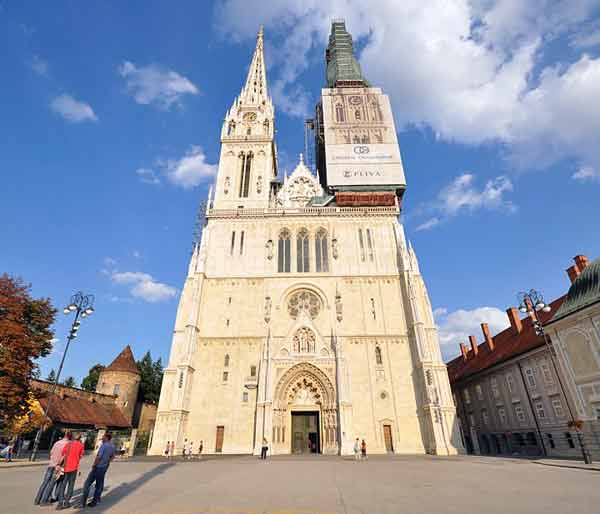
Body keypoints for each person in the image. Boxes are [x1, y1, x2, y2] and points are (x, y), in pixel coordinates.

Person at [80, 432, 116, 508]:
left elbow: (98, 457)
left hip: (98, 467)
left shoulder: (104, 446)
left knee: (87, 483)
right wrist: (106, 462)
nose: (102, 438)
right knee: (99, 484)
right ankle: (96, 500)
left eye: (103, 437)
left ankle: (83, 502)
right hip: (104, 467)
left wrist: (94, 465)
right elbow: (112, 457)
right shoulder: (112, 446)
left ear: (106, 438)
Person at [34, 431, 70, 505]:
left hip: (51, 464)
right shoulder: (68, 444)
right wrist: (59, 464)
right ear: (70, 437)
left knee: (45, 482)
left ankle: (37, 500)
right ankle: (44, 501)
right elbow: (64, 456)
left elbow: (51, 452)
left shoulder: (57, 442)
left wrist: (53, 460)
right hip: (57, 466)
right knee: (51, 483)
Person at [55, 432, 85, 510]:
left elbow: (63, 454)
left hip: (65, 468)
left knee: (63, 485)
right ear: (79, 438)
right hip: (74, 468)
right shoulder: (81, 445)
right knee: (71, 485)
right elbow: (81, 456)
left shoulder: (68, 444)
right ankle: (67, 502)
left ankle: (60, 503)